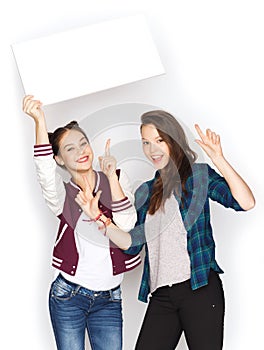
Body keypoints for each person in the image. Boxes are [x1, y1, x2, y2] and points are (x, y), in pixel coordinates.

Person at [75, 109, 255, 350]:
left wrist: (219, 159)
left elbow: (246, 202)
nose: (152, 150)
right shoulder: (146, 192)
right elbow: (132, 245)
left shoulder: (198, 176)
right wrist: (99, 217)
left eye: (159, 140)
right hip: (162, 295)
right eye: (146, 143)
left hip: (199, 288)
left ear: (173, 140)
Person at [22, 95, 141, 350]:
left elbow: (128, 224)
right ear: (60, 159)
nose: (80, 152)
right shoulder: (62, 195)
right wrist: (39, 122)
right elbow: (43, 170)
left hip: (110, 299)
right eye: (70, 149)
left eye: (83, 143)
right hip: (68, 297)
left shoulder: (116, 178)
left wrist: (111, 178)